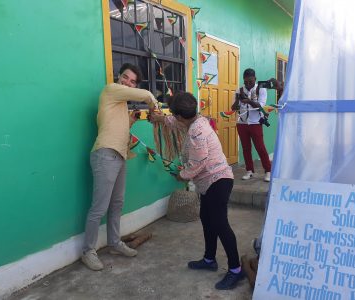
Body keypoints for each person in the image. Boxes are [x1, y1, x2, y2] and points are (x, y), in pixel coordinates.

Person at [150, 92, 244, 290]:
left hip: (218, 180)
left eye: (174, 115)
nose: (175, 119)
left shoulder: (196, 131)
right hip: (209, 182)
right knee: (207, 219)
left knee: (220, 224)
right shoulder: (195, 120)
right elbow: (176, 123)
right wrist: (161, 118)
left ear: (180, 115)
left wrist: (181, 175)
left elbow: (198, 163)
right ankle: (210, 260)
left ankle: (236, 269)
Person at [81, 63, 158, 271]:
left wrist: (130, 121)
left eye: (132, 81)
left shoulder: (120, 103)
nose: (128, 83)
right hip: (105, 154)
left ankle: (114, 243)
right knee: (99, 207)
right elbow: (146, 95)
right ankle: (88, 251)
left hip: (119, 155)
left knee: (117, 204)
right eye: (125, 78)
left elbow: (116, 128)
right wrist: (154, 104)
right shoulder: (111, 90)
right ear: (119, 77)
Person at [231, 68, 272, 182]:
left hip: (255, 123)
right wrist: (237, 99)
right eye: (246, 82)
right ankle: (249, 171)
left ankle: (268, 171)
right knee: (246, 148)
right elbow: (233, 108)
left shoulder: (261, 89)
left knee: (260, 147)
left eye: (251, 81)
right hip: (242, 123)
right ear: (243, 80)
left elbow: (260, 106)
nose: (248, 84)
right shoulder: (239, 90)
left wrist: (248, 101)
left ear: (255, 79)